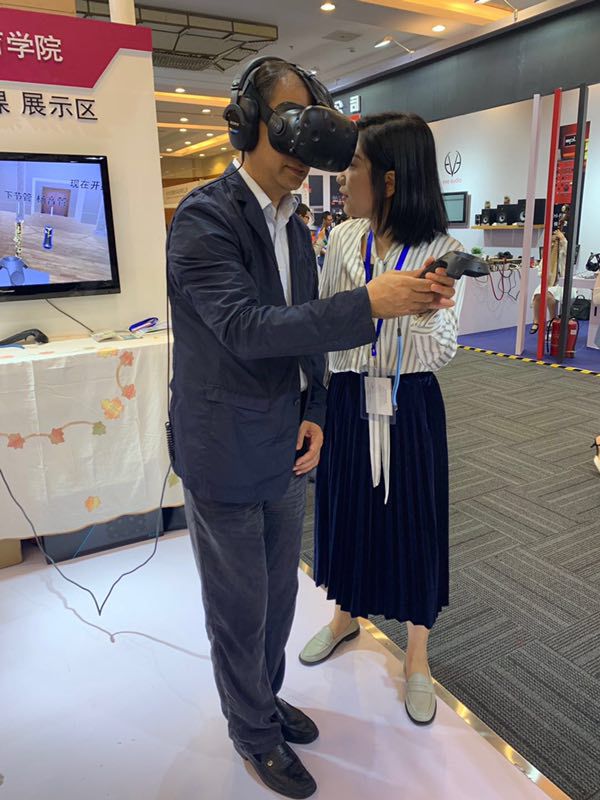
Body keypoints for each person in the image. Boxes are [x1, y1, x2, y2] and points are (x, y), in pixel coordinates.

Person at [167, 61, 456, 799]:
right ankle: (252, 731)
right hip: (225, 451)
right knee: (239, 608)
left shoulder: (296, 228)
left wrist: (318, 411)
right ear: (248, 124)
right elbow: (247, 327)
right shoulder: (205, 219)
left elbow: (304, 339)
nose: (303, 152)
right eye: (289, 127)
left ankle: (263, 700)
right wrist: (370, 304)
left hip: (289, 444)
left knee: (276, 600)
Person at [299, 112, 465, 727]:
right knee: (347, 509)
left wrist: (420, 313)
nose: (343, 180)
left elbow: (442, 351)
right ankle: (345, 615)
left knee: (415, 519)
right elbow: (324, 321)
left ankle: (418, 654)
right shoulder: (344, 239)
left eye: (354, 167)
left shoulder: (443, 253)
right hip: (349, 396)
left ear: (390, 180)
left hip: (411, 400)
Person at [530, 229, 567, 334]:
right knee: (537, 295)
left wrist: (563, 239)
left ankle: (552, 318)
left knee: (549, 295)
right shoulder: (547, 255)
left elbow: (566, 250)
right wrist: (545, 275)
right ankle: (536, 321)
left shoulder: (563, 254)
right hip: (547, 283)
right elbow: (540, 270)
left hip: (561, 282)